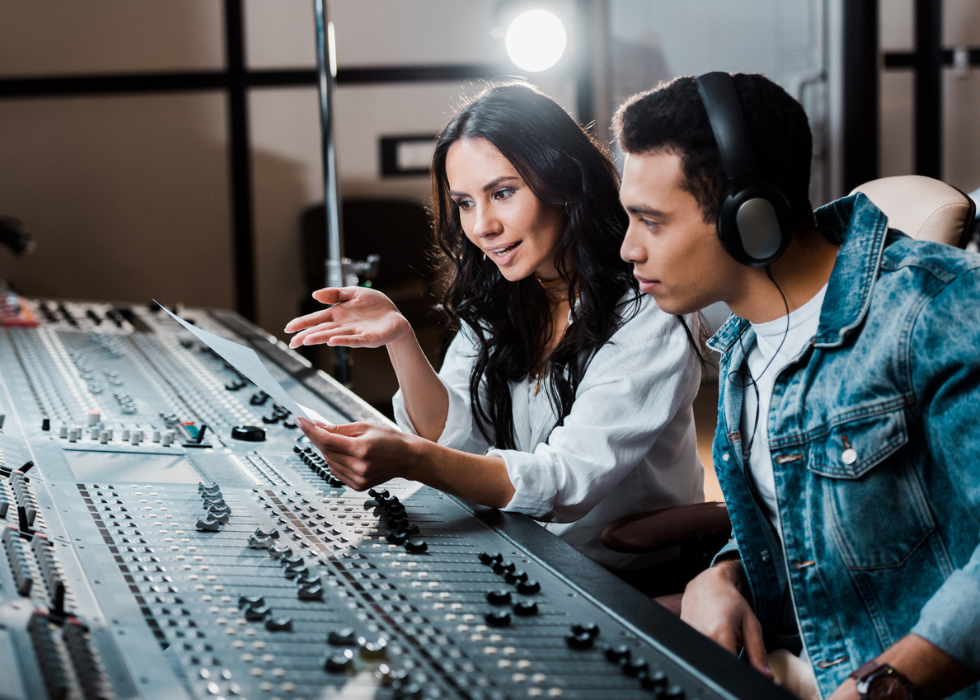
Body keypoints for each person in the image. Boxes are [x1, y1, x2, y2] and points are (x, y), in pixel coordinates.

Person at [613, 72, 980, 699]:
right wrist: (723, 575)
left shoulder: (932, 307)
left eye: (651, 221)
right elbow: (802, 516)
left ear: (748, 219)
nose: (628, 249)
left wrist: (884, 687)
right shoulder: (745, 344)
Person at [284, 82, 704, 569]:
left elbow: (566, 481)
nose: (481, 225)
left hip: (621, 576)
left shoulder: (649, 306)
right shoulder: (504, 292)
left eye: (502, 193)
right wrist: (400, 339)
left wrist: (414, 459)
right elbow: (460, 437)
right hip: (521, 549)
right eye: (464, 203)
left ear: (565, 183)